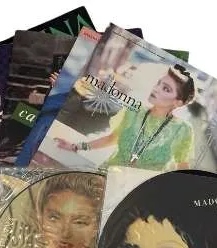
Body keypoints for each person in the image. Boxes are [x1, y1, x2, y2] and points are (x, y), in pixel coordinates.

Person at [54, 64, 196, 171]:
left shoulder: (183, 129)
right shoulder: (134, 111)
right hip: (107, 174)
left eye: (166, 89)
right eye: (158, 83)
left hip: (140, 192)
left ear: (178, 103)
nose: (156, 89)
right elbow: (112, 138)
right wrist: (75, 146)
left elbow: (182, 167)